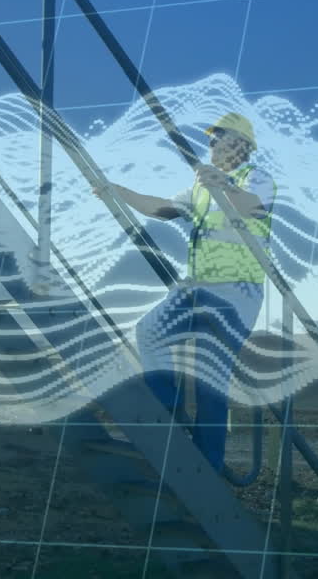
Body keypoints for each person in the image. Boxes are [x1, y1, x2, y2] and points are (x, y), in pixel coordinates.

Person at [93, 112, 276, 471]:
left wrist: (222, 184)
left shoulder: (256, 178)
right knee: (151, 332)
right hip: (199, 287)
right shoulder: (200, 189)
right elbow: (161, 209)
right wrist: (119, 192)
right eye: (210, 140)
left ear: (243, 145)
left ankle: (208, 462)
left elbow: (254, 206)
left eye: (219, 138)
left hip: (237, 291)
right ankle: (169, 420)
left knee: (210, 373)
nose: (211, 145)